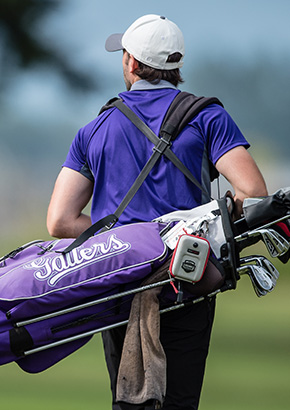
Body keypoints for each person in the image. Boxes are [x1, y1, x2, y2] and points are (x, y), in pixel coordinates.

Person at [47, 14, 268, 410]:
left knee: (127, 399)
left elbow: (60, 221)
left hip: (119, 283)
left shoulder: (94, 129)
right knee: (181, 401)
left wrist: (129, 241)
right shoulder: (207, 116)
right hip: (189, 277)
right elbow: (251, 192)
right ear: (175, 67)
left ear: (131, 63)